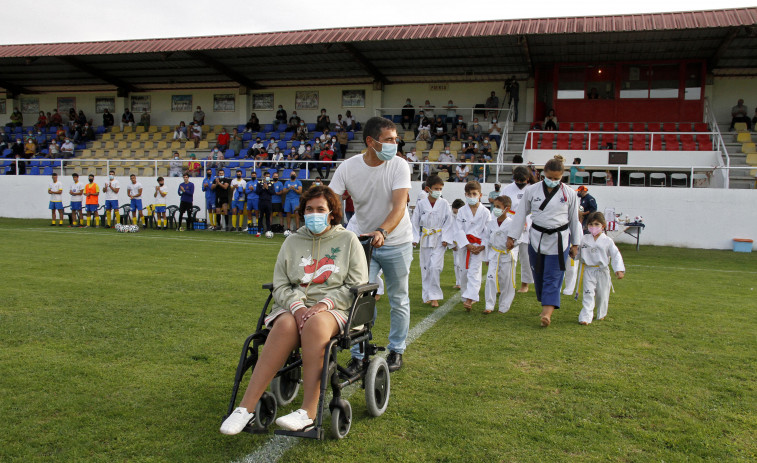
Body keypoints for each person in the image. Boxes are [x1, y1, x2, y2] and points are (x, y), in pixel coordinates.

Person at [220, 186, 368, 435]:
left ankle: (309, 412)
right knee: (286, 324)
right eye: (309, 209)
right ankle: (245, 409)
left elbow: (356, 284)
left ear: (331, 213)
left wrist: (322, 305)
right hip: (293, 307)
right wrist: (298, 306)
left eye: (320, 209)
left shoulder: (348, 240)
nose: (314, 214)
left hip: (336, 308)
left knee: (316, 324)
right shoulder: (292, 241)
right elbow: (280, 284)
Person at [329, 116, 412, 373]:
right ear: (370, 141)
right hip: (362, 241)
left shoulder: (399, 165)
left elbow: (400, 206)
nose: (394, 145)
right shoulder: (348, 167)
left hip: (397, 241)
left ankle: (396, 350)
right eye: (388, 140)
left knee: (399, 298)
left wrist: (383, 231)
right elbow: (331, 201)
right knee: (359, 298)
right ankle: (358, 354)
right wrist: (330, 226)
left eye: (396, 139)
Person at [506, 155, 582, 327]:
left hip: (559, 239)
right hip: (537, 238)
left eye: (556, 178)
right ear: (542, 174)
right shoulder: (531, 191)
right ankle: (545, 303)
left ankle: (547, 313)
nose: (552, 181)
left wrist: (575, 243)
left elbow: (574, 220)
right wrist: (512, 236)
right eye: (549, 178)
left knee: (553, 275)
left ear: (562, 177)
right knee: (538, 274)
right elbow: (520, 215)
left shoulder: (569, 193)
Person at [410, 175, 454, 308]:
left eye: (440, 189)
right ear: (428, 189)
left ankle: (434, 296)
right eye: (436, 188)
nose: (438, 191)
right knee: (426, 267)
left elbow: (449, 222)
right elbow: (415, 222)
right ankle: (426, 295)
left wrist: (446, 238)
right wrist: (414, 238)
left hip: (440, 238)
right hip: (425, 237)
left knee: (435, 267)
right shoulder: (421, 204)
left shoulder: (444, 203)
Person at [577, 212, 625, 325]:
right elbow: (578, 254)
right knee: (588, 294)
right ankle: (585, 317)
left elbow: (615, 255)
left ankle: (601, 313)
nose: (593, 227)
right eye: (591, 224)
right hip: (588, 270)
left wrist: (618, 269)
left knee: (602, 295)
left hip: (602, 270)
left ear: (603, 225)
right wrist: (573, 253)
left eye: (596, 224)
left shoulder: (607, 241)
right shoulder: (584, 239)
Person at [455, 180, 491, 311]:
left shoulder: (486, 212)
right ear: (465, 195)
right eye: (469, 194)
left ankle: (470, 299)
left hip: (479, 246)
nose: (471, 197)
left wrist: (482, 245)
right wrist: (467, 245)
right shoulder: (461, 211)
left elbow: (488, 231)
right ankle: (467, 296)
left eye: (474, 194)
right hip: (466, 246)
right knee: (464, 272)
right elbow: (458, 230)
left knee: (474, 272)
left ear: (480, 195)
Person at [501, 166, 534, 293]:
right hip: (512, 221)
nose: (520, 183)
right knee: (510, 255)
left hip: (528, 223)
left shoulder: (532, 188)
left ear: (528, 178)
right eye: (517, 180)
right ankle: (508, 283)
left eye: (523, 180)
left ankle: (525, 284)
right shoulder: (507, 189)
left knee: (526, 257)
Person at [483, 195, 519, 314]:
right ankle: (489, 305)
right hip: (494, 254)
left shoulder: (512, 223)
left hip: (506, 255)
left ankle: (504, 306)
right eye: (495, 206)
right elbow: (487, 240)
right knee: (490, 279)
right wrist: (487, 257)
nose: (495, 209)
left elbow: (519, 238)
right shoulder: (491, 223)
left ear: (507, 209)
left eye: (499, 207)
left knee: (506, 281)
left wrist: (512, 243)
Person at [449, 198, 466, 290]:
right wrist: (452, 244)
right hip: (455, 243)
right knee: (457, 263)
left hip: (465, 242)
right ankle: (458, 282)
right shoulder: (450, 217)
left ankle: (465, 282)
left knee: (464, 263)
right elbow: (449, 230)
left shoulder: (465, 215)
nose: (455, 214)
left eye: (457, 212)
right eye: (454, 212)